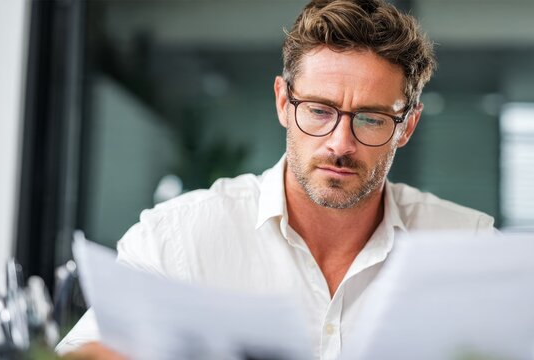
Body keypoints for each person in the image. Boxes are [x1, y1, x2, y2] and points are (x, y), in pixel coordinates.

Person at [57, 0, 496, 358]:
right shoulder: (176, 240)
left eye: (370, 118)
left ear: (407, 126)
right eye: (319, 111)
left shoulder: (468, 247)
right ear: (284, 103)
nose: (340, 144)